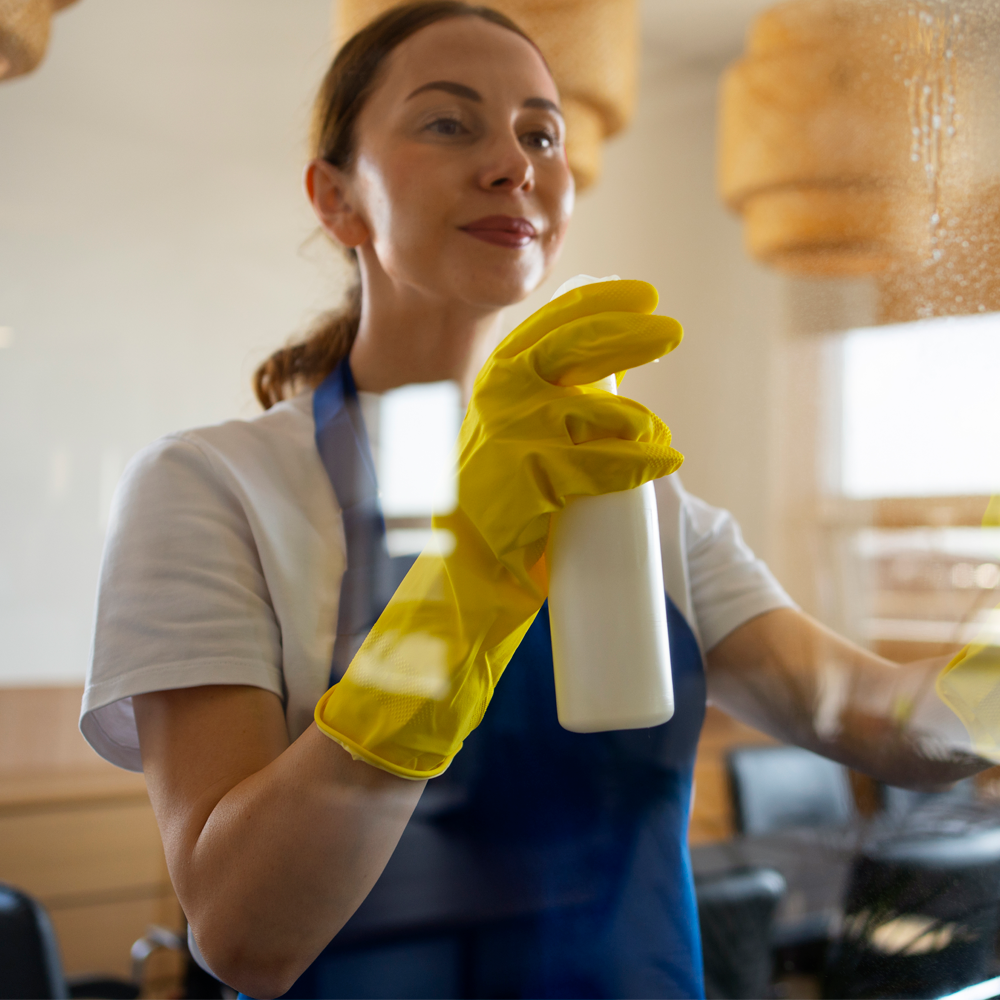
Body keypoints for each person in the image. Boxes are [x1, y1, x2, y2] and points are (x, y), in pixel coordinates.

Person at [79, 4, 991, 998]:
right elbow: (243, 933)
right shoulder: (212, 487)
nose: (514, 162)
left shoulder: (633, 496)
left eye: (541, 132)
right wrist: (467, 581)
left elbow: (865, 710)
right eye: (447, 122)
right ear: (337, 200)